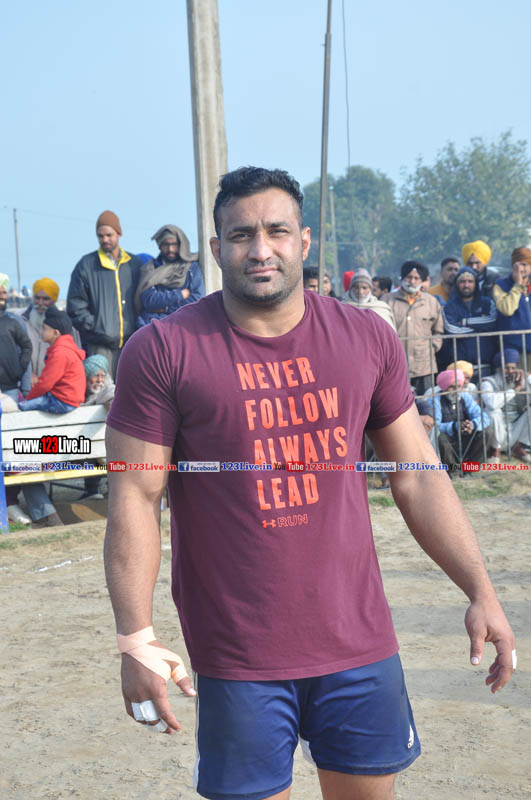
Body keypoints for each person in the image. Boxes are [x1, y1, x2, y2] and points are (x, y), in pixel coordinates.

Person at [104, 166, 515, 800]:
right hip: (238, 653)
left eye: (276, 231)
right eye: (240, 235)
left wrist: (481, 590)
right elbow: (136, 494)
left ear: (303, 240)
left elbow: (419, 477)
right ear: (215, 248)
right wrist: (135, 637)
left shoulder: (365, 337)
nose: (259, 249)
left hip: (358, 642)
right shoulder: (164, 350)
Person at [67, 210, 142, 379]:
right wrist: (98, 328)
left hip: (131, 343)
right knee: (102, 392)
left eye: (109, 235)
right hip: (100, 347)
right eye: (100, 236)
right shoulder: (86, 265)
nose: (105, 240)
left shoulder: (134, 264)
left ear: (119, 234)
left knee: (130, 389)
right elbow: (75, 306)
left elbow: (143, 298)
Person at [385, 261, 443, 395]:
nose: (412, 281)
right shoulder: (388, 300)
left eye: (416, 278)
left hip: (424, 366)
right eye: (409, 277)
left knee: (427, 402)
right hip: (395, 365)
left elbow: (438, 331)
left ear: (422, 281)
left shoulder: (431, 302)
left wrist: (432, 348)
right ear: (402, 278)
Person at [135, 225, 205, 327]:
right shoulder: (150, 268)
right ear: (160, 246)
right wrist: (179, 294)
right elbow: (149, 301)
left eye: (174, 244)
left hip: (182, 325)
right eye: (166, 244)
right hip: (152, 325)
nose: (170, 249)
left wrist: (166, 309)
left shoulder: (191, 267)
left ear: (181, 245)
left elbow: (196, 299)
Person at [19, 308, 85, 413]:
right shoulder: (66, 349)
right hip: (69, 399)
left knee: (21, 407)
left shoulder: (60, 353)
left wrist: (29, 398)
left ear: (56, 333)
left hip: (62, 401)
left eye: (44, 329)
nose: (41, 332)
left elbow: (45, 383)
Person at [429, 369, 490, 470]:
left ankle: (471, 468)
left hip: (464, 436)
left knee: (486, 432)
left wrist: (471, 425)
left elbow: (484, 417)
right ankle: (453, 469)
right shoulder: (435, 400)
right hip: (448, 440)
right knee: (440, 438)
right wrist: (455, 426)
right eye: (452, 387)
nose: (456, 390)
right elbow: (434, 425)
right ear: (444, 387)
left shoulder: (465, 397)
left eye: (459, 386)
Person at [439, 266, 497, 372]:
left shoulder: (487, 303)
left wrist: (465, 322)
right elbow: (451, 329)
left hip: (485, 363)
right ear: (457, 284)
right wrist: (480, 329)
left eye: (470, 281)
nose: (466, 285)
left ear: (476, 284)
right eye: (462, 282)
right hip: (459, 367)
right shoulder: (449, 307)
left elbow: (492, 321)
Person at [480, 349, 531, 463]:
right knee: (492, 411)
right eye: (506, 368)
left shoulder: (521, 381)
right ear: (498, 368)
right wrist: (515, 390)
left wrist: (528, 377)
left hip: (515, 429)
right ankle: (494, 450)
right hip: (497, 431)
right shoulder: (488, 382)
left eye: (513, 368)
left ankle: (519, 447)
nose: (510, 371)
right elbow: (492, 404)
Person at [492, 247, 531, 370]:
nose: (521, 269)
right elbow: (507, 309)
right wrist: (517, 285)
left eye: (524, 265)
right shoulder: (500, 285)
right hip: (513, 352)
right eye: (517, 265)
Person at [0, 273, 32, 404]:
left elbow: (26, 348)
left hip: (10, 389)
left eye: (4, 292)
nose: (3, 296)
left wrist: (25, 387)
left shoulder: (14, 321)